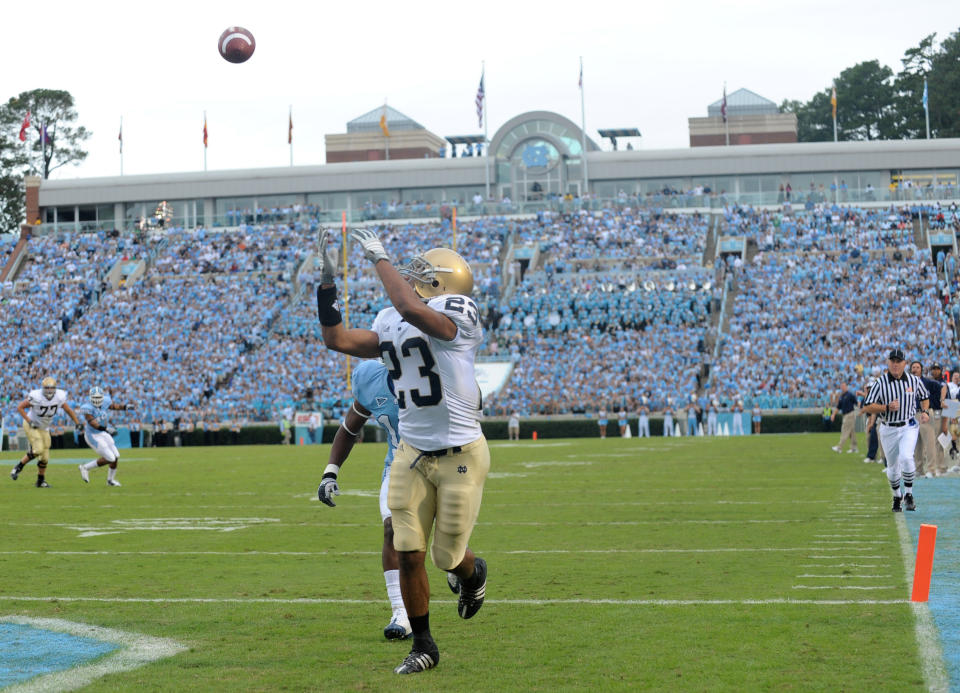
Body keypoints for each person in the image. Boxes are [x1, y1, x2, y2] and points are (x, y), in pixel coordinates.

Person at [317, 227, 490, 675]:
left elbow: (410, 308)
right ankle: (424, 644)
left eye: (427, 272)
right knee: (406, 546)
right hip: (410, 452)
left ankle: (473, 574)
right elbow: (337, 340)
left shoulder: (461, 311)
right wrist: (327, 287)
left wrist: (379, 258)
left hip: (460, 451)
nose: (417, 276)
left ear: (447, 283)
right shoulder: (392, 317)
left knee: (447, 557)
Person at [317, 360, 412, 641]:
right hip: (398, 465)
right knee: (392, 529)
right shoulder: (372, 378)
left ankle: (466, 570)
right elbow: (349, 428)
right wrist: (330, 472)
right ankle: (400, 612)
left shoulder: (438, 370)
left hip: (441, 463)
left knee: (448, 554)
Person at [862, 349, 930, 512]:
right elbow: (868, 405)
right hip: (888, 428)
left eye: (898, 361)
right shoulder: (881, 382)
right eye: (892, 361)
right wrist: (886, 407)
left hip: (908, 425)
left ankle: (908, 494)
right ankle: (896, 496)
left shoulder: (914, 381)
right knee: (892, 467)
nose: (895, 364)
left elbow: (924, 397)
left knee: (907, 457)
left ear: (904, 364)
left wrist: (925, 412)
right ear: (888, 363)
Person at [10, 377, 82, 488]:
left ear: (55, 389)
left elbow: (68, 410)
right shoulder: (36, 396)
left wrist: (77, 422)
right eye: (47, 388)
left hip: (44, 427)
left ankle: (40, 481)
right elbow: (20, 407)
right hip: (32, 424)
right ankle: (18, 467)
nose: (49, 390)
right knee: (38, 449)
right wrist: (29, 421)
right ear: (42, 388)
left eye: (51, 388)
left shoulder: (59, 396)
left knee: (45, 457)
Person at [77, 386, 134, 487]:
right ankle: (85, 467)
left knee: (116, 456)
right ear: (90, 398)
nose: (97, 400)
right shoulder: (87, 408)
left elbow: (113, 406)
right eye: (95, 398)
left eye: (99, 398)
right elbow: (93, 423)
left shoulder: (106, 401)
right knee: (110, 458)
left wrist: (125, 407)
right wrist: (106, 429)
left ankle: (110, 480)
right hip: (93, 435)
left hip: (102, 433)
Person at [911, 362, 947, 477]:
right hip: (915, 414)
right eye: (933, 369)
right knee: (917, 444)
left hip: (934, 414)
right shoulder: (909, 383)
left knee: (934, 443)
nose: (935, 371)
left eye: (937, 369)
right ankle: (919, 468)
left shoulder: (931, 383)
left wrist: (947, 420)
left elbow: (946, 391)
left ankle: (935, 469)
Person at [830, 383, 859, 454]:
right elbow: (838, 407)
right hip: (845, 415)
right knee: (851, 432)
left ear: (846, 387)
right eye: (841, 386)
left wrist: (861, 410)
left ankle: (839, 447)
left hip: (850, 414)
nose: (842, 387)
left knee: (845, 430)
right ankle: (854, 448)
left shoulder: (850, 395)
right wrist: (833, 414)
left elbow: (857, 403)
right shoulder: (842, 396)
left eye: (843, 386)